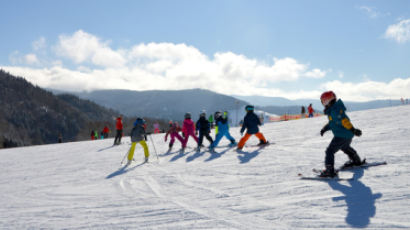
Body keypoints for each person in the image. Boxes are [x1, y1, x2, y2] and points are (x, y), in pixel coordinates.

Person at [319, 91, 363, 177]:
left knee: (330, 151)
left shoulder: (335, 110)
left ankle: (329, 170)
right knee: (345, 147)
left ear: (328, 100)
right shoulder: (333, 110)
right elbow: (332, 123)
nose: (323, 103)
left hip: (341, 135)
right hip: (347, 134)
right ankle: (356, 161)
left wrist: (353, 129)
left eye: (323, 101)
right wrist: (325, 128)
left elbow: (344, 121)